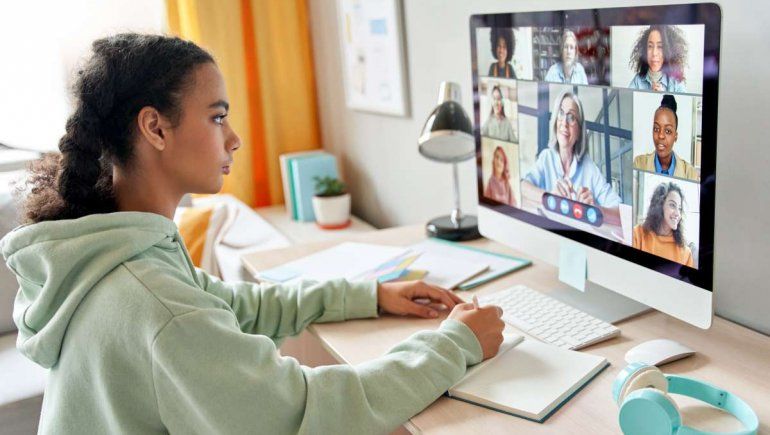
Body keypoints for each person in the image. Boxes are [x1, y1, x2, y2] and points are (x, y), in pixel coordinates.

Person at [0, 34, 505, 434]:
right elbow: (308, 412)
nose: (234, 138)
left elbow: (232, 307)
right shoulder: (155, 302)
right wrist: (455, 344)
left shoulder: (120, 254)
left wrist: (369, 294)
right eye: (217, 117)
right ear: (155, 128)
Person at [521, 91, 621, 224]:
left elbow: (620, 213)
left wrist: (594, 210)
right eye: (561, 113)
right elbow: (523, 186)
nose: (564, 123)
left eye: (571, 117)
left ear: (579, 131)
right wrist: (550, 198)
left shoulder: (588, 167)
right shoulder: (547, 157)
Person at [634, 94, 699, 181]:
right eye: (656, 129)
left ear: (675, 136)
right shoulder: (639, 164)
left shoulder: (690, 174)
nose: (660, 135)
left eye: (668, 131)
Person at [633, 182, 694, 267]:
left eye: (679, 208)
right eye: (672, 205)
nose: (677, 213)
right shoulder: (637, 234)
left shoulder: (685, 253)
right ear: (659, 206)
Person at [628, 25, 688, 92]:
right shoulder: (637, 81)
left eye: (660, 46)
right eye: (650, 46)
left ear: (668, 51)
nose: (654, 53)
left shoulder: (676, 83)